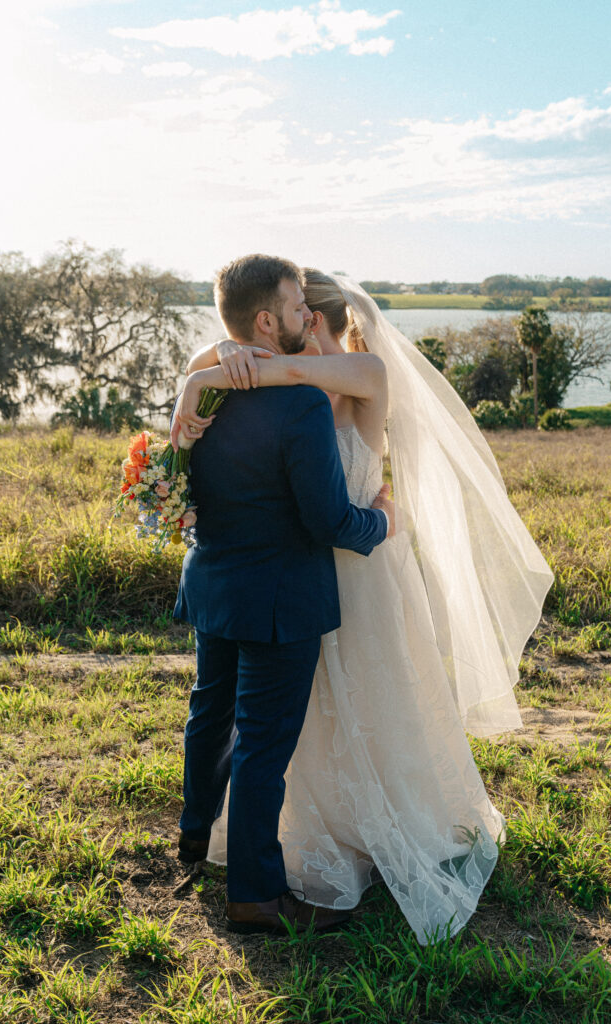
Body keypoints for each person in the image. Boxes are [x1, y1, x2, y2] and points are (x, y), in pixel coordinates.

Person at [174, 270, 554, 944]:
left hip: (361, 575)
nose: (291, 318)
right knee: (285, 724)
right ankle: (293, 836)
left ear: (312, 321)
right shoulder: (277, 377)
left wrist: (223, 366)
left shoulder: (360, 374)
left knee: (365, 701)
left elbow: (280, 378)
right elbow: (240, 375)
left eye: (299, 308)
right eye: (282, 308)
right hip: (303, 570)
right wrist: (199, 375)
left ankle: (380, 820)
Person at [172, 255, 394, 936]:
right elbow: (327, 520)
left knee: (209, 717)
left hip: (215, 583)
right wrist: (380, 521)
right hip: (280, 597)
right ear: (269, 319)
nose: (308, 317)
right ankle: (256, 897)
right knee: (264, 748)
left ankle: (193, 841)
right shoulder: (299, 401)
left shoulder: (205, 391)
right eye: (298, 308)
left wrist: (197, 379)